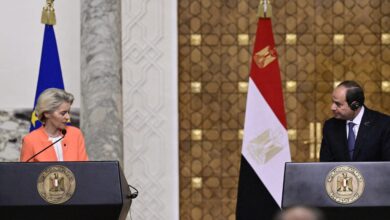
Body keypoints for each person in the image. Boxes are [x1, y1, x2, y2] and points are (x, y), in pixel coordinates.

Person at [320, 80, 390, 161]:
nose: (332, 107)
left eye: (338, 104)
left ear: (355, 105)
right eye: (333, 102)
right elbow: (325, 166)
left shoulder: (384, 125)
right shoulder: (330, 127)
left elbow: (387, 166)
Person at [20, 88, 88, 162]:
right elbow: (25, 172)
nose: (68, 117)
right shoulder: (30, 140)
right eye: (63, 113)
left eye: (68, 112)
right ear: (47, 113)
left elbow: (84, 170)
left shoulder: (76, 134)